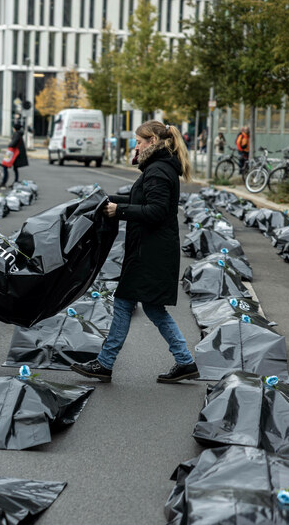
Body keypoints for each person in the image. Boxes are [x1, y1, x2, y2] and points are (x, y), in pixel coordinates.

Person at [71, 120, 197, 384]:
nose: (135, 147)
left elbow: (157, 211)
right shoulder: (157, 168)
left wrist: (119, 211)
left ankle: (105, 364)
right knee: (151, 308)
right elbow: (143, 201)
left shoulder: (158, 171)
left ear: (152, 141)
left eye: (139, 142)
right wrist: (109, 201)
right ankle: (185, 361)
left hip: (150, 254)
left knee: (125, 303)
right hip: (150, 250)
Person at [1, 122, 28, 187]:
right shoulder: (19, 134)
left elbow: (13, 143)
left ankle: (4, 182)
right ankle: (15, 182)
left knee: (5, 165)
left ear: (15, 128)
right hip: (17, 153)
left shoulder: (17, 134)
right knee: (15, 168)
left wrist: (9, 144)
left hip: (14, 153)